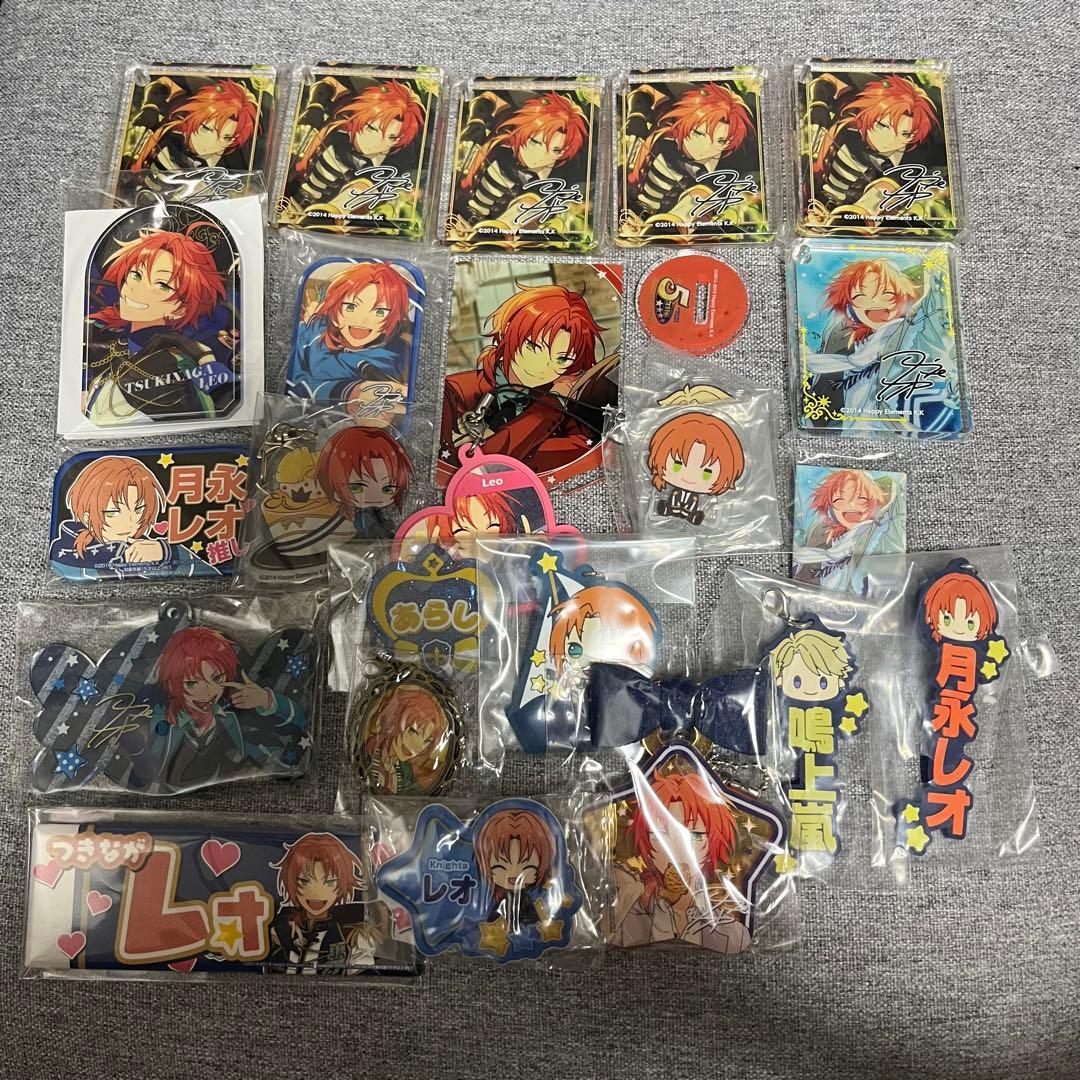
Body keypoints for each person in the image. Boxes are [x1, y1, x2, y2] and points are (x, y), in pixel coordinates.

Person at [441, 283, 615, 476]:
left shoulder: (563, 399)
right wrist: (547, 410)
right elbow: (472, 465)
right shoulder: (456, 390)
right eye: (534, 347)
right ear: (509, 331)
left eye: (561, 360)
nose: (542, 368)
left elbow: (581, 450)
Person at [612, 770, 751, 953]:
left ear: (712, 843)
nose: (678, 849)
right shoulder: (627, 919)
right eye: (660, 835)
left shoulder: (732, 935)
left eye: (695, 836)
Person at [50, 455, 216, 580]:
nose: (130, 523)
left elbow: (209, 570)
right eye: (113, 513)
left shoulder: (147, 548)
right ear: (87, 518)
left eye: (139, 510)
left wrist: (166, 553)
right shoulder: (65, 554)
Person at [268, 832, 379, 974]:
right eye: (304, 881)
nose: (316, 893)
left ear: (342, 885)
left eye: (329, 882)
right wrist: (271, 932)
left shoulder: (351, 934)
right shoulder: (279, 926)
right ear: (292, 883)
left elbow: (366, 980)